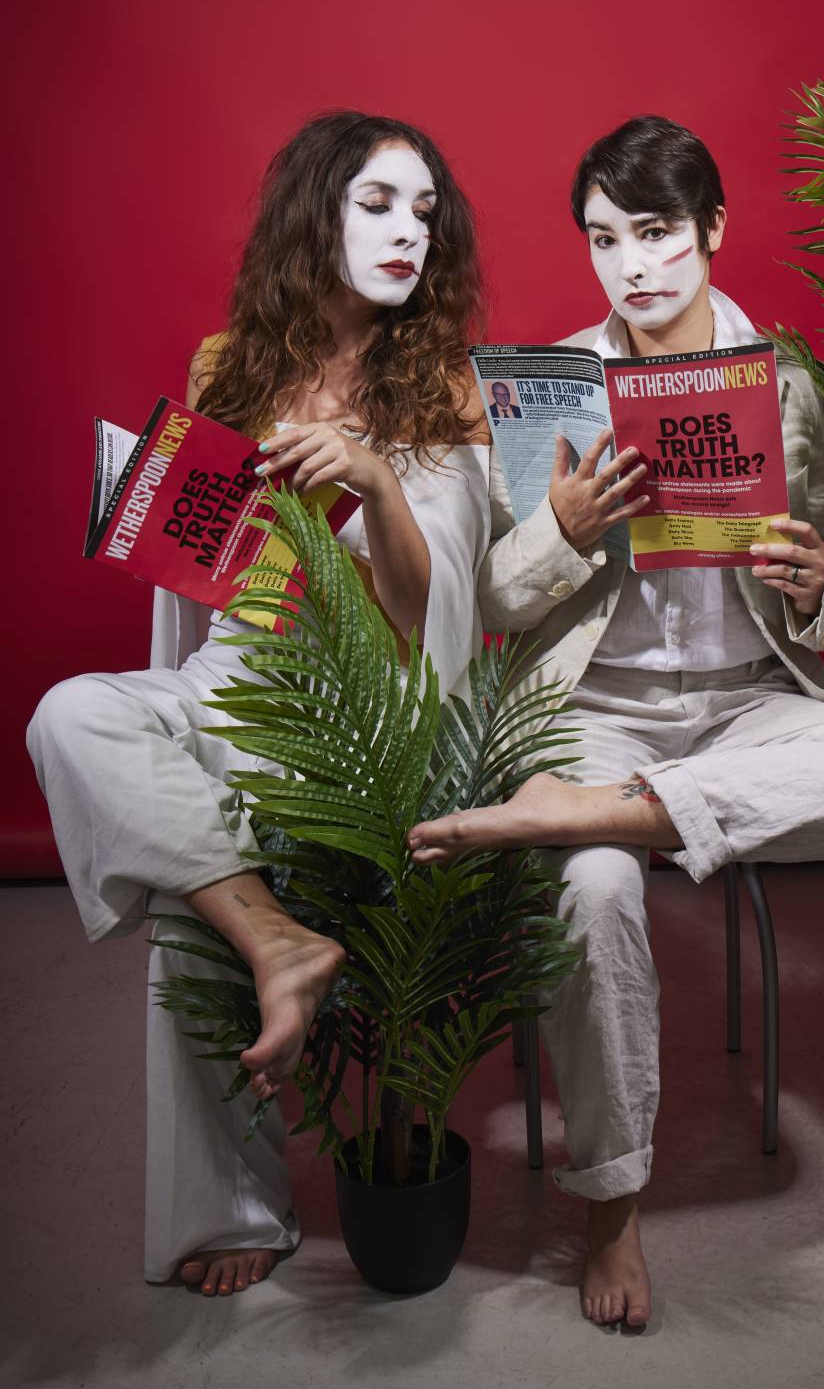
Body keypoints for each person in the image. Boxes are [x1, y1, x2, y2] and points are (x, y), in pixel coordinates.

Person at [408, 114, 824, 1331]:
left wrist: (818, 585)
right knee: (595, 893)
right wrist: (565, 533)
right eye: (605, 239)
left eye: (655, 233)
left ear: (711, 230)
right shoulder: (548, 382)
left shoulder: (796, 383)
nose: (632, 266)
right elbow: (490, 596)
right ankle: (612, 1208)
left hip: (753, 707)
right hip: (596, 714)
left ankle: (570, 820)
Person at [28, 111, 490, 1295]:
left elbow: (423, 613)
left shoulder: (442, 385)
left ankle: (233, 1200)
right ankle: (277, 941)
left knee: (184, 897)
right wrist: (147, 508)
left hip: (355, 706)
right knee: (68, 715)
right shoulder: (225, 364)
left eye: (424, 213)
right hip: (229, 678)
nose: (406, 235)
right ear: (314, 213)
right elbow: (203, 565)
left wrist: (378, 480)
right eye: (377, 205)